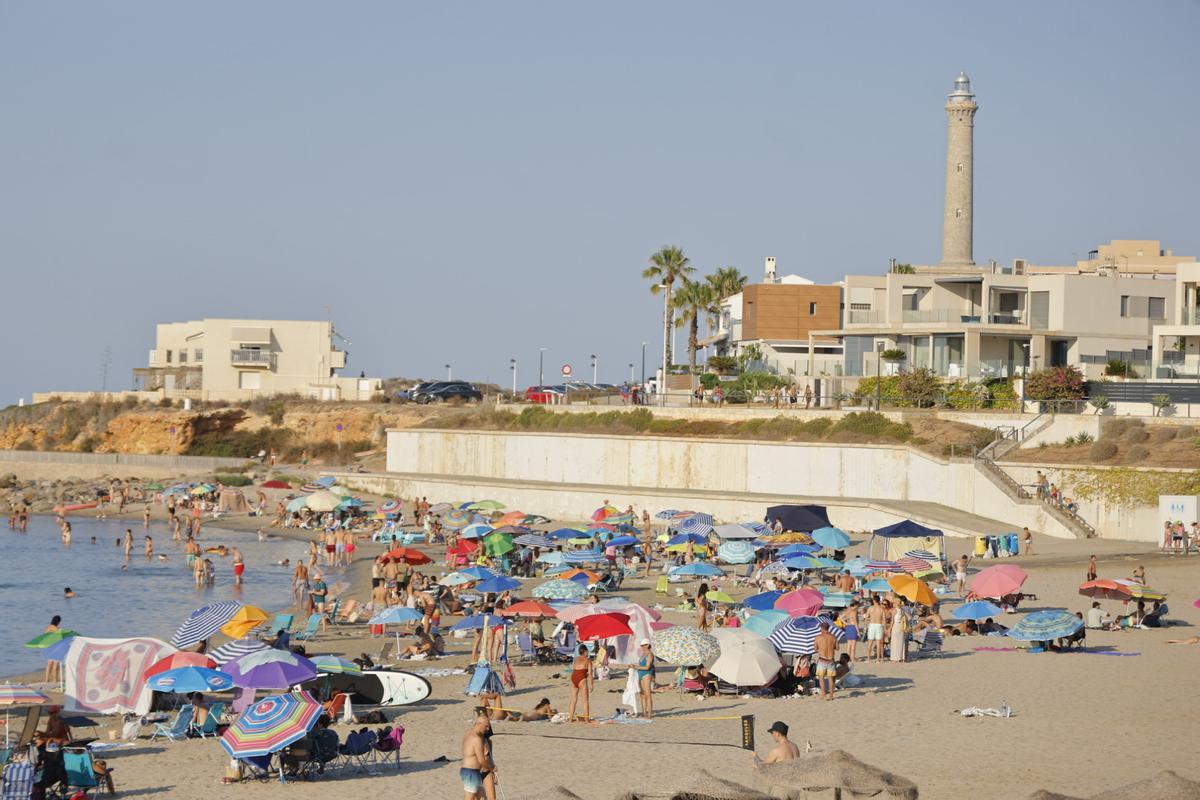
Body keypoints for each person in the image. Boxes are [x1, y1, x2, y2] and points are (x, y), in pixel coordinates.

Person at [461, 707, 497, 800]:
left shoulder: (482, 737)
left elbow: (488, 753)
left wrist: (491, 768)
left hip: (482, 771)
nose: (488, 728)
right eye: (486, 726)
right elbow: (481, 760)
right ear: (478, 723)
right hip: (472, 771)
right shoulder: (474, 737)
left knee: (487, 798)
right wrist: (492, 768)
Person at [814, 621, 838, 700]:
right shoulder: (833, 637)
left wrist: (821, 648)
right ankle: (831, 695)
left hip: (822, 660)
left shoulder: (818, 637)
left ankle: (824, 695)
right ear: (828, 628)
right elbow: (837, 648)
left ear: (821, 628)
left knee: (821, 678)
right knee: (830, 678)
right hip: (830, 660)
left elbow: (815, 648)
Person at [568, 644, 592, 722]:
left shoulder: (576, 659)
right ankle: (586, 720)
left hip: (574, 677)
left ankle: (570, 719)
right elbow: (591, 674)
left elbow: (575, 669)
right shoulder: (588, 660)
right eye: (587, 651)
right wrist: (591, 684)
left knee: (573, 700)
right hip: (581, 678)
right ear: (585, 652)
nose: (588, 653)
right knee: (585, 701)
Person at [636, 639, 655, 718]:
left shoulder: (650, 654)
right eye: (641, 645)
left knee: (648, 694)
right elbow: (641, 665)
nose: (642, 647)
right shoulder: (643, 654)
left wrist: (636, 667)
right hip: (640, 673)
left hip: (646, 674)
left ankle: (649, 714)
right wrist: (633, 666)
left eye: (643, 645)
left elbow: (647, 667)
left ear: (648, 645)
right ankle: (644, 713)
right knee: (642, 695)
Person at [865, 597, 886, 663]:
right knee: (878, 642)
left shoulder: (870, 608)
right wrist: (885, 628)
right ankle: (878, 659)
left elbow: (866, 618)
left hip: (871, 625)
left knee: (870, 642)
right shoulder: (881, 609)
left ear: (874, 601)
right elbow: (884, 620)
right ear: (879, 601)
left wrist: (865, 626)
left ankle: (868, 659)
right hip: (879, 625)